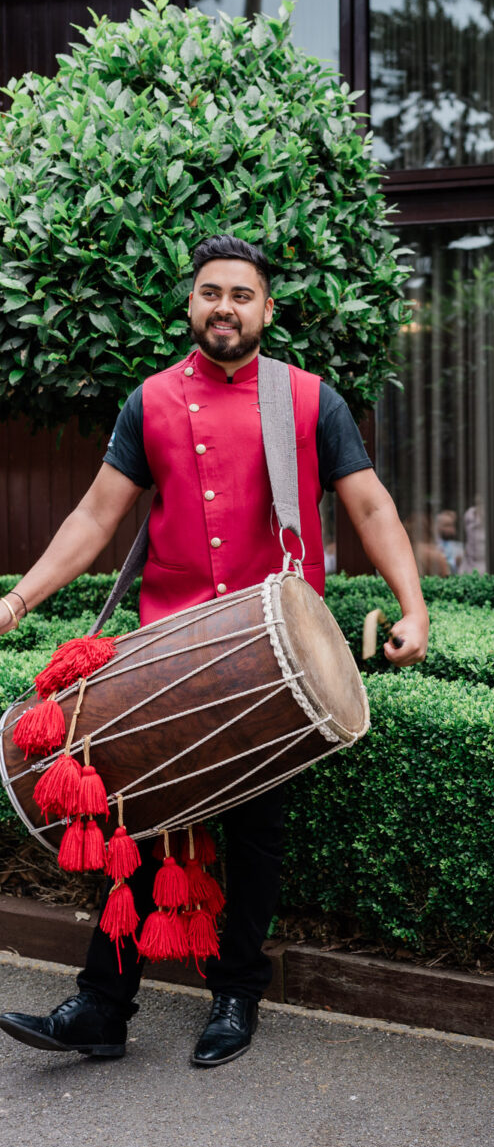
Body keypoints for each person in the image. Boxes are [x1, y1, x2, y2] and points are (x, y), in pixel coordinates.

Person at [0, 235, 428, 1068]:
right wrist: (16, 601)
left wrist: (414, 608)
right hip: (165, 645)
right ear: (190, 305)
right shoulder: (152, 401)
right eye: (209, 293)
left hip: (273, 650)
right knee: (142, 817)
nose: (223, 307)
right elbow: (95, 518)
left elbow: (370, 508)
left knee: (257, 834)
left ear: (267, 310)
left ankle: (235, 996)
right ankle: (102, 1006)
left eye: (241, 294)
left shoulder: (306, 400)